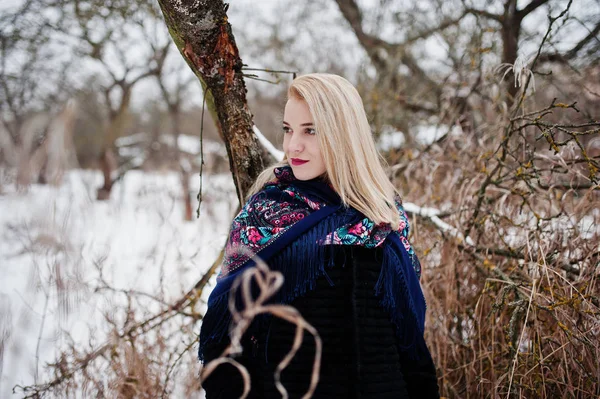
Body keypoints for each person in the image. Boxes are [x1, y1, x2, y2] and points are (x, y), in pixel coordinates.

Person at [199, 73, 440, 399]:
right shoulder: (266, 214)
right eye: (288, 129)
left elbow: (409, 336)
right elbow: (227, 340)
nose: (292, 145)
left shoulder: (384, 216)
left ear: (344, 135)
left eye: (310, 130)